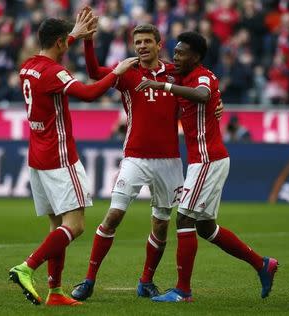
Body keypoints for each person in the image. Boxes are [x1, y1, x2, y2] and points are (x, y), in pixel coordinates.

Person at [71, 9, 223, 301]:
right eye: (137, 42)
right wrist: (89, 42)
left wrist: (219, 104)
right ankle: (88, 280)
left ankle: (146, 281)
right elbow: (93, 74)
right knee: (113, 216)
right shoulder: (127, 71)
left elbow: (205, 87)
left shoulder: (174, 72)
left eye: (146, 42)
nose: (141, 47)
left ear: (158, 43)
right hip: (135, 157)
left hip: (169, 161)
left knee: (162, 223)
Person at [135, 31, 278, 302]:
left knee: (184, 218)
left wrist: (163, 87)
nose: (175, 57)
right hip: (203, 160)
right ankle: (263, 264)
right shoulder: (180, 76)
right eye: (174, 52)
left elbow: (202, 94)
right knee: (205, 227)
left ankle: (183, 291)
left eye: (181, 53)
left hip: (208, 159)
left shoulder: (203, 76)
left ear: (196, 57)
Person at [8, 11, 138, 307]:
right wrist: (116, 72)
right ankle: (27, 267)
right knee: (76, 225)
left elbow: (55, 50)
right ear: (58, 42)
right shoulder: (55, 73)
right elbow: (90, 93)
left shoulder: (28, 67)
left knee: (58, 228)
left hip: (37, 158)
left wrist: (75, 35)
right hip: (60, 157)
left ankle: (55, 292)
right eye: (65, 42)